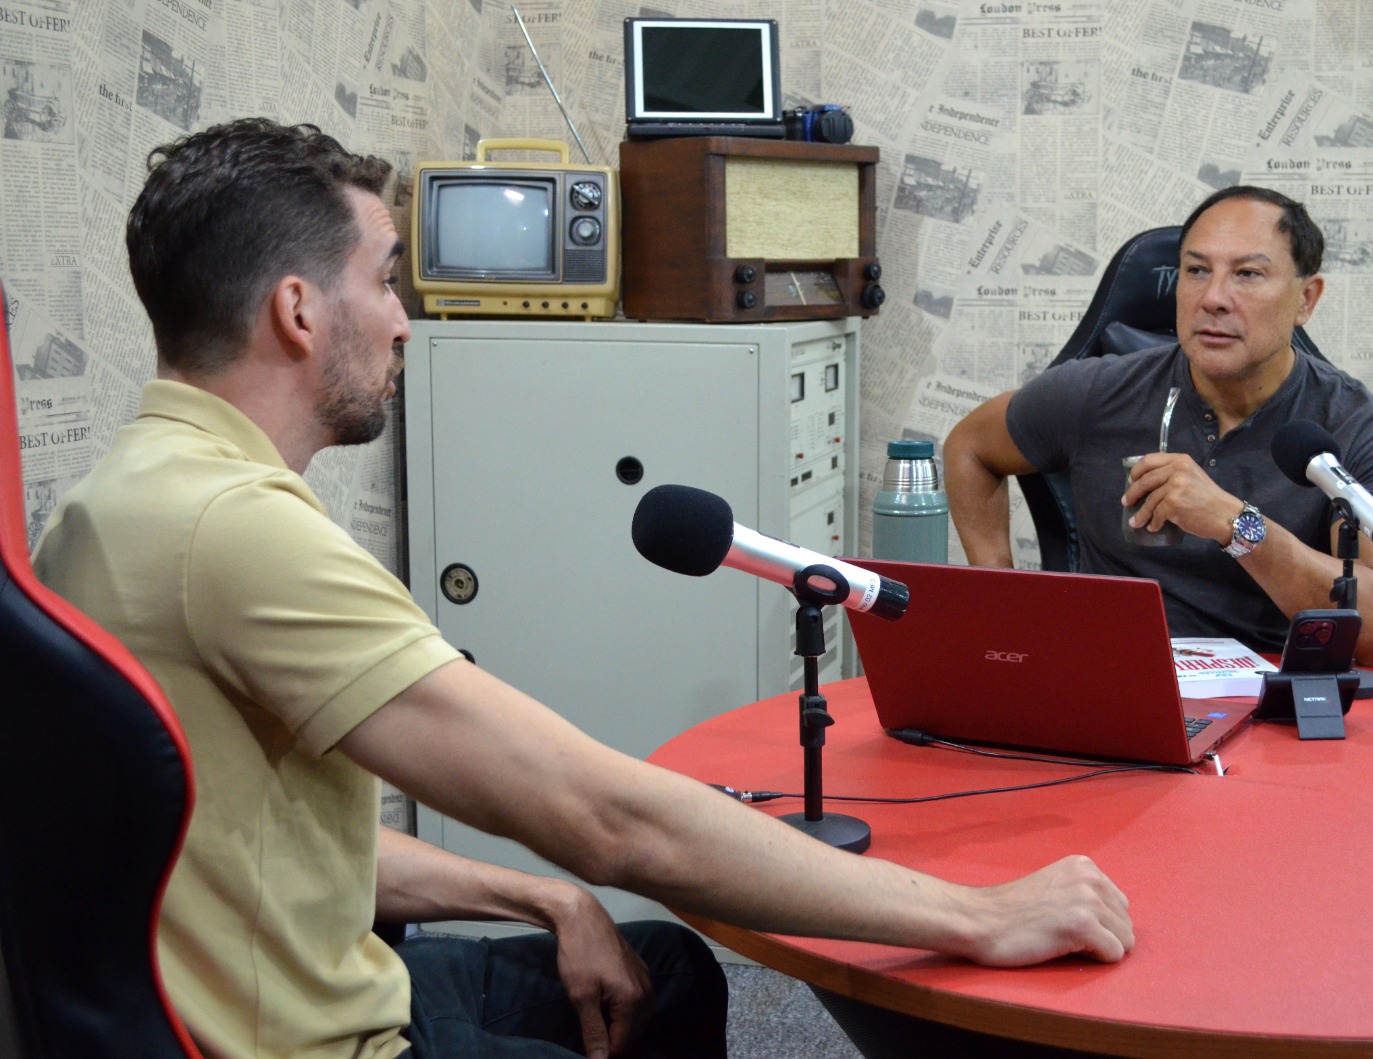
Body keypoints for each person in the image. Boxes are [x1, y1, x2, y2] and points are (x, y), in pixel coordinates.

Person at [31, 118, 1133, 1059]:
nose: (407, 318)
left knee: (665, 969)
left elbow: (242, 840)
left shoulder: (117, 499)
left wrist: (538, 894)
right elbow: (609, 821)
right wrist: (976, 914)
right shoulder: (237, 529)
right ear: (297, 312)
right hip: (327, 1037)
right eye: (384, 279)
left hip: (254, 978)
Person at [944, 186, 1373, 665]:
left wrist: (1236, 525)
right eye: (1196, 271)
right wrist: (999, 597)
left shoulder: (1361, 428)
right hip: (1112, 681)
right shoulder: (1096, 394)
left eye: (1248, 274)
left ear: (1306, 299)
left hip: (1273, 700)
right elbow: (970, 446)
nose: (1213, 298)